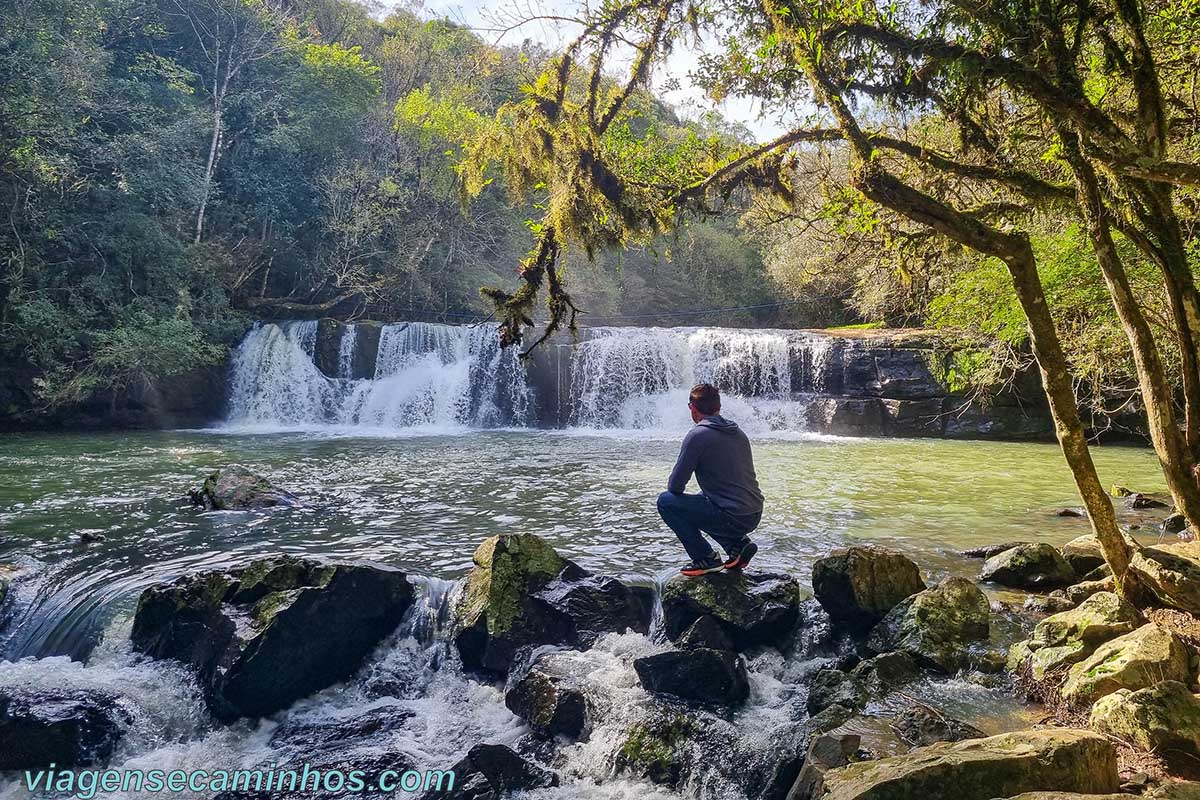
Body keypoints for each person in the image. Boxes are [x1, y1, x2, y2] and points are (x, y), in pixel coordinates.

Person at [657, 383, 764, 577]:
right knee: (704, 499)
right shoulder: (738, 432)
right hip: (754, 512)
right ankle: (737, 545)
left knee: (666, 502)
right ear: (718, 408)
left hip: (732, 517)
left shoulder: (697, 435)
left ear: (692, 408)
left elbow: (675, 486)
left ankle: (705, 558)